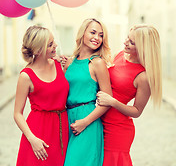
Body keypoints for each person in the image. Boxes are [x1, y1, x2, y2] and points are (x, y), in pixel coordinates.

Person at [96, 24, 162, 166]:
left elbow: (137, 111)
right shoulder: (120, 55)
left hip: (117, 129)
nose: (126, 42)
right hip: (99, 119)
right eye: (128, 37)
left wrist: (112, 101)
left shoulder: (143, 76)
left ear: (144, 49)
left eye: (132, 42)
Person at [14, 25, 69, 166]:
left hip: (62, 128)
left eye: (53, 41)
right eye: (50, 44)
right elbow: (17, 114)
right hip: (38, 134)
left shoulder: (59, 64)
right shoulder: (26, 76)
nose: (55, 45)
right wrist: (32, 139)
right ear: (38, 50)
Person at [63, 18, 113, 166]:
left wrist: (85, 122)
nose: (97, 38)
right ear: (82, 33)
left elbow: (107, 101)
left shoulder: (97, 63)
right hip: (67, 120)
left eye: (101, 35)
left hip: (87, 121)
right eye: (93, 32)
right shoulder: (71, 62)